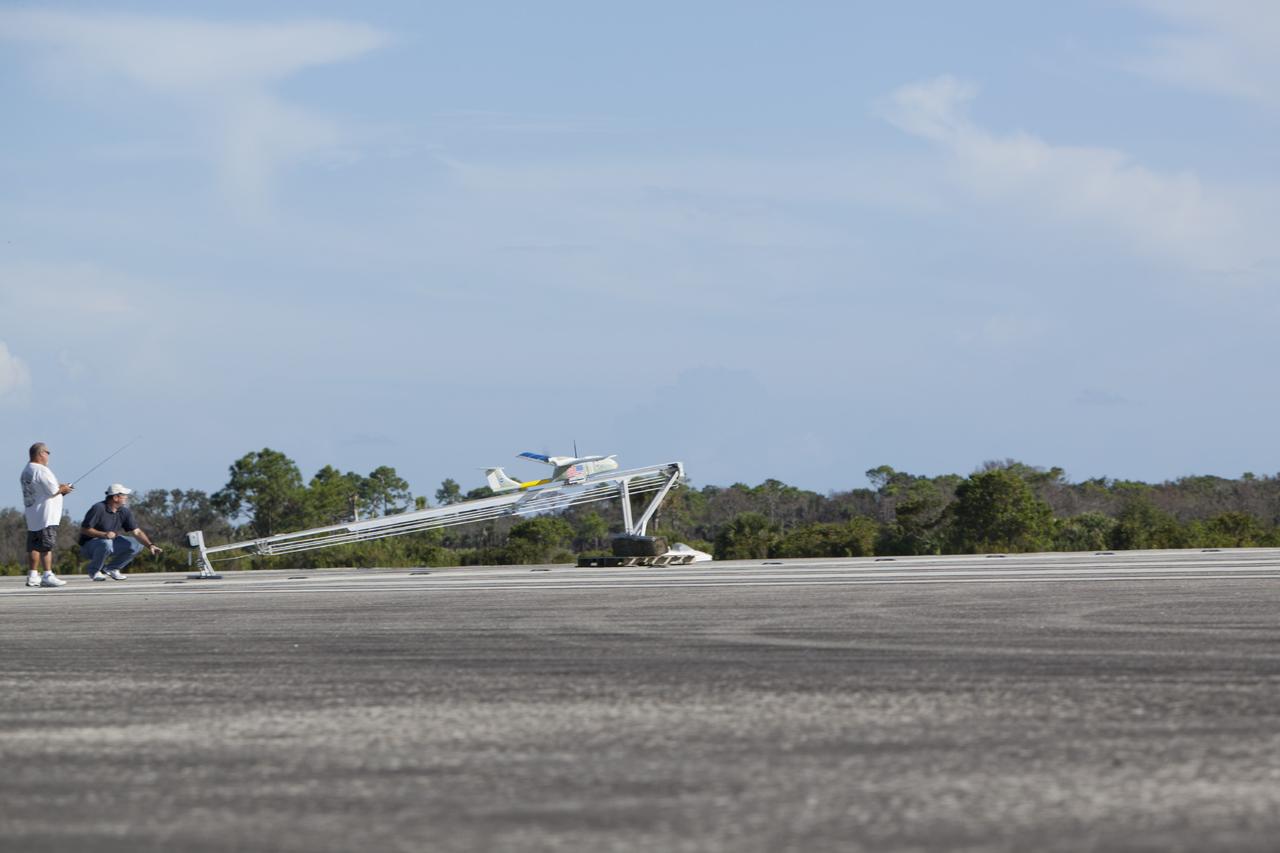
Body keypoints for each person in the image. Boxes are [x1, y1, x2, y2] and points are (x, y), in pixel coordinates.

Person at [79, 484, 162, 581]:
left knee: (136, 544)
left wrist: (150, 545)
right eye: (124, 495)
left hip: (108, 543)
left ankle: (112, 569)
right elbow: (84, 529)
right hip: (89, 547)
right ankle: (94, 571)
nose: (126, 497)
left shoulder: (124, 512)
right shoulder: (98, 508)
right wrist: (103, 535)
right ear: (115, 497)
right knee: (106, 542)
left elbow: (137, 532)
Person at [19, 442, 75, 588]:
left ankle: (32, 575)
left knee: (34, 546)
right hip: (46, 514)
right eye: (47, 452)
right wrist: (64, 488)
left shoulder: (26, 470)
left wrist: (60, 488)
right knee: (46, 546)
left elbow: (43, 489)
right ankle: (47, 574)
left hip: (32, 515)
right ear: (41, 453)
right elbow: (53, 490)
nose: (49, 456)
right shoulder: (42, 470)